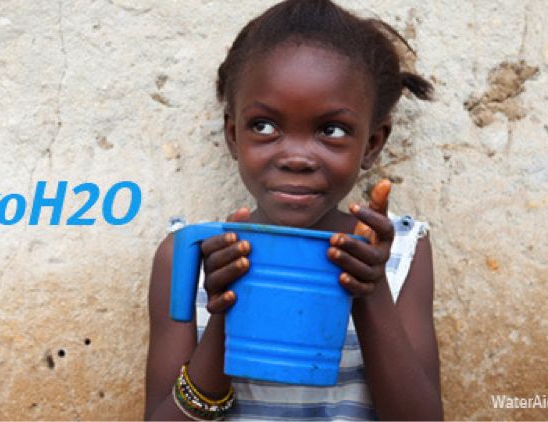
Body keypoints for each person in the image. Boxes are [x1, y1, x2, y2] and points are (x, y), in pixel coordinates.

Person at [145, 0, 442, 420]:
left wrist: (369, 290)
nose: (297, 157)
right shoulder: (189, 258)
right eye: (264, 126)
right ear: (233, 135)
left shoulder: (399, 256)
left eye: (331, 130)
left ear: (372, 144)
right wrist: (224, 316)